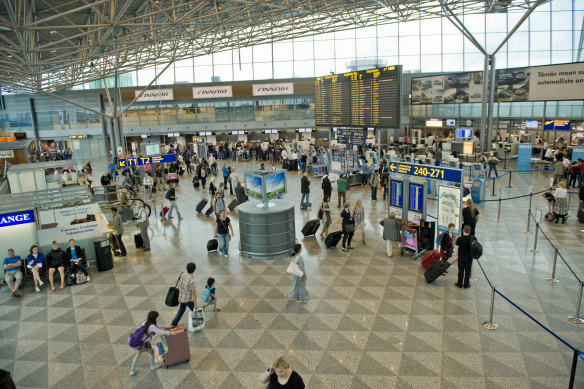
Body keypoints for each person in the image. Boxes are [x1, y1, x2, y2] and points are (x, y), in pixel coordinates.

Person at [130, 311, 175, 376]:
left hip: (139, 342)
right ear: (154, 318)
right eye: (156, 317)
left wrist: (167, 326)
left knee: (138, 355)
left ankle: (132, 370)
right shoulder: (151, 326)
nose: (157, 319)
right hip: (145, 344)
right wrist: (170, 333)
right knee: (151, 351)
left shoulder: (145, 322)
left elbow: (158, 326)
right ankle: (153, 366)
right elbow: (160, 332)